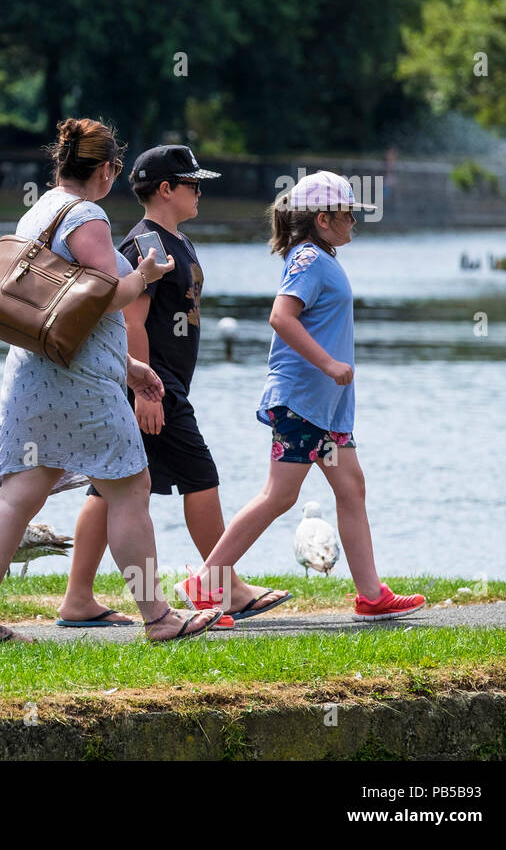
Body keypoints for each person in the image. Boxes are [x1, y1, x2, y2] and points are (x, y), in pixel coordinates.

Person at [0, 119, 221, 643]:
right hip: (79, 383)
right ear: (104, 169)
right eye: (113, 171)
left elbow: (67, 311)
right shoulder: (88, 216)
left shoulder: (39, 211)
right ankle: (159, 618)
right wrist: (144, 275)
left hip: (32, 370)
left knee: (21, 494)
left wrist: (130, 367)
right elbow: (106, 295)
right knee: (130, 487)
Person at [58, 145, 291, 629]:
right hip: (155, 387)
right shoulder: (145, 247)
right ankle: (225, 587)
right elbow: (131, 319)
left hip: (162, 385)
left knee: (108, 490)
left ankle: (78, 599)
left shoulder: (175, 241)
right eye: (193, 183)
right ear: (166, 189)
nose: (200, 191)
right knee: (200, 475)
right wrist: (145, 390)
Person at [177, 171, 425, 622]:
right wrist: (329, 365)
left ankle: (370, 595)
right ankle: (206, 581)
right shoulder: (309, 259)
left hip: (325, 408)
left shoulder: (321, 257)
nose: (355, 222)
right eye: (349, 214)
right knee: (279, 496)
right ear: (323, 219)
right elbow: (281, 317)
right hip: (301, 403)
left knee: (351, 488)